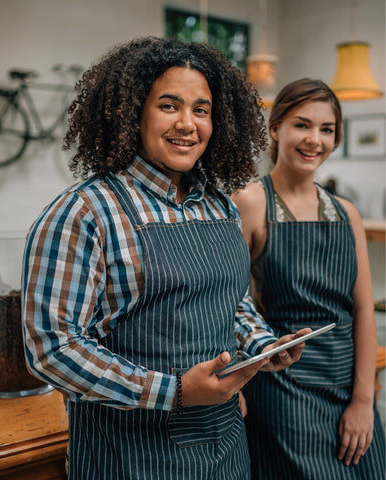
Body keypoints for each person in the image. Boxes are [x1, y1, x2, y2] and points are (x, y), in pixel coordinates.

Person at [22, 37, 308, 480]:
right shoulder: (85, 211)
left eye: (201, 110)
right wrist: (172, 392)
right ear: (132, 111)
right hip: (129, 456)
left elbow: (230, 302)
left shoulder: (218, 205)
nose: (188, 124)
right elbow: (52, 351)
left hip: (225, 448)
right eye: (169, 105)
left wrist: (260, 345)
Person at [232, 78, 386, 479]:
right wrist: (231, 383)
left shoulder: (347, 213)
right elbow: (223, 300)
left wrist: (363, 401)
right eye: (302, 125)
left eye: (326, 129)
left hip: (347, 386)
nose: (314, 139)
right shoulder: (250, 201)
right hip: (283, 388)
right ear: (275, 128)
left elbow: (363, 312)